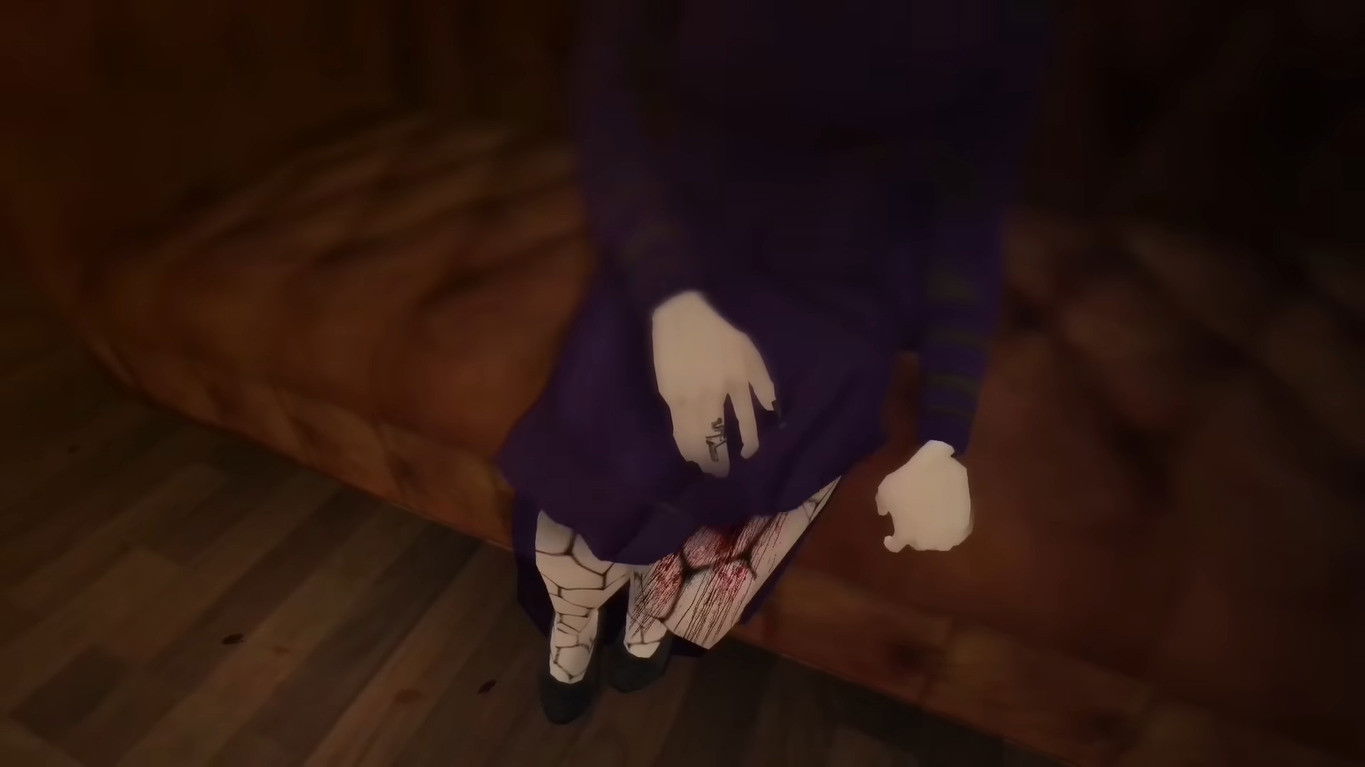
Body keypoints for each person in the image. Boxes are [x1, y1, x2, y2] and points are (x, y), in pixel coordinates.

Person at [496, 0, 1052, 723]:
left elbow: (967, 221)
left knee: (730, 490)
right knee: (591, 483)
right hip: (679, 255)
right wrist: (673, 299)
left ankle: (648, 620)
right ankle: (572, 631)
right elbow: (612, 104)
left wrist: (945, 438)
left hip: (838, 311)